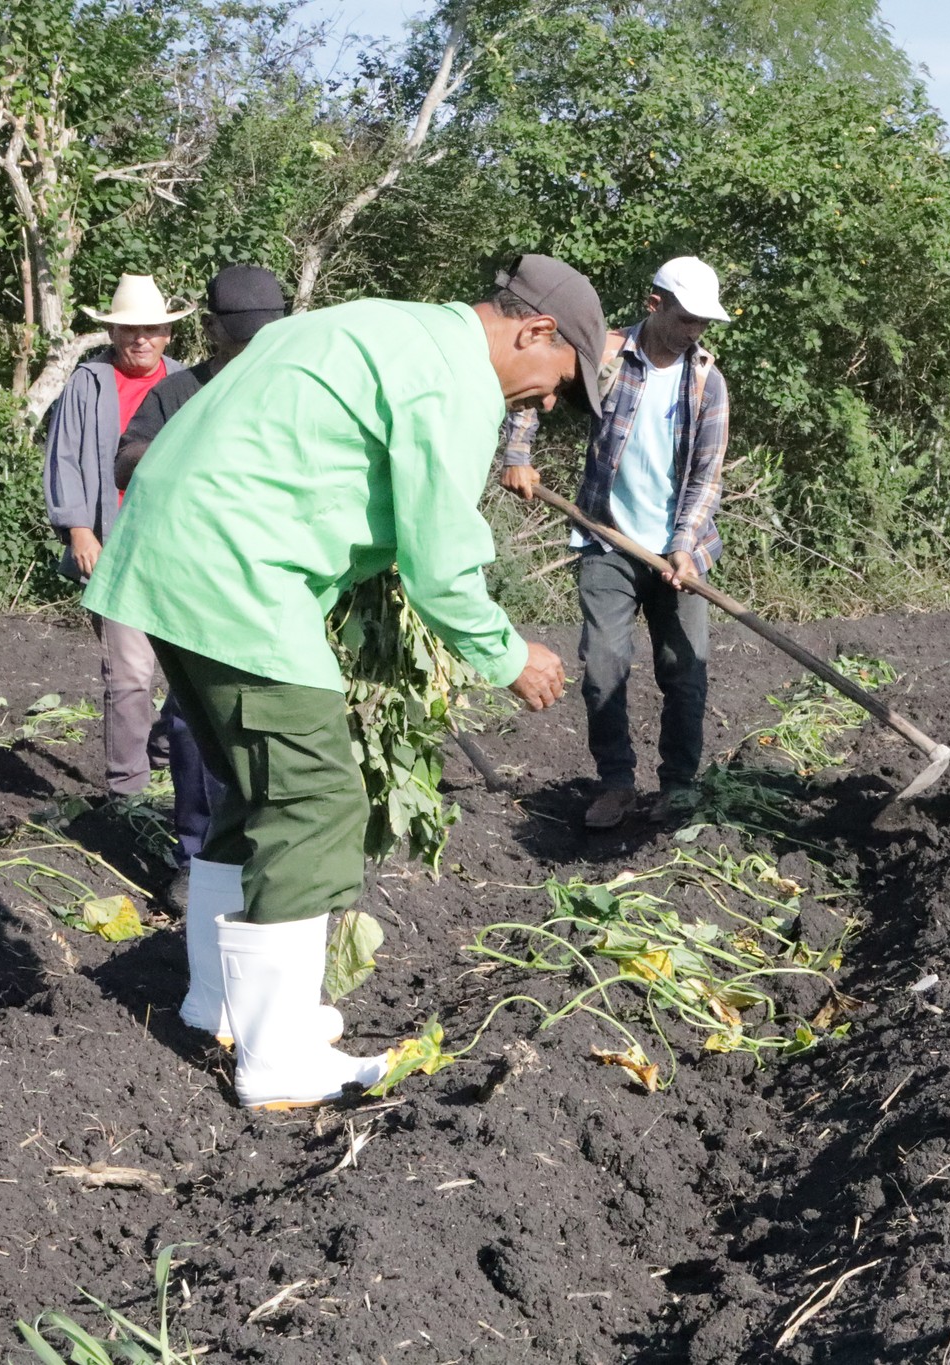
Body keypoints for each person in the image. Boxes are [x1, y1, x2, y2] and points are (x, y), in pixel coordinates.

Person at [83, 254, 598, 1108]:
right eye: (560, 381)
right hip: (238, 569)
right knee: (315, 802)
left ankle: (221, 1005)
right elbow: (440, 562)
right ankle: (278, 1059)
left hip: (173, 552)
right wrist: (511, 655)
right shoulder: (457, 381)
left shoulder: (387, 322)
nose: (546, 402)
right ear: (535, 331)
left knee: (253, 792)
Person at [498, 257, 731, 830]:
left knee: (685, 671)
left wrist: (682, 546)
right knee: (603, 668)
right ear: (655, 305)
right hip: (607, 538)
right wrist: (518, 454)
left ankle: (678, 786)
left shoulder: (707, 381)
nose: (695, 331)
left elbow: (707, 477)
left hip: (681, 553)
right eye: (687, 318)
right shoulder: (603, 356)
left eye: (704, 322)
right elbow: (533, 384)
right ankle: (616, 783)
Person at [113, 265, 291, 909]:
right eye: (240, 337)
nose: (253, 350)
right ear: (213, 330)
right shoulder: (181, 392)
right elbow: (126, 461)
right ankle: (198, 852)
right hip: (194, 579)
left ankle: (272, 850)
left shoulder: (295, 390)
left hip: (278, 581)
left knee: (278, 717)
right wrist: (194, 445)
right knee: (193, 721)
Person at [44, 274, 188, 798]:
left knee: (191, 666)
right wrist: (79, 530)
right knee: (129, 673)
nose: (141, 339)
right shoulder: (89, 383)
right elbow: (63, 458)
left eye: (151, 329)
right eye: (130, 330)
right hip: (114, 546)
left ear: (167, 333)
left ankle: (167, 753)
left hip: (178, 547)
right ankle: (128, 789)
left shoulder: (188, 383)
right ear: (112, 332)